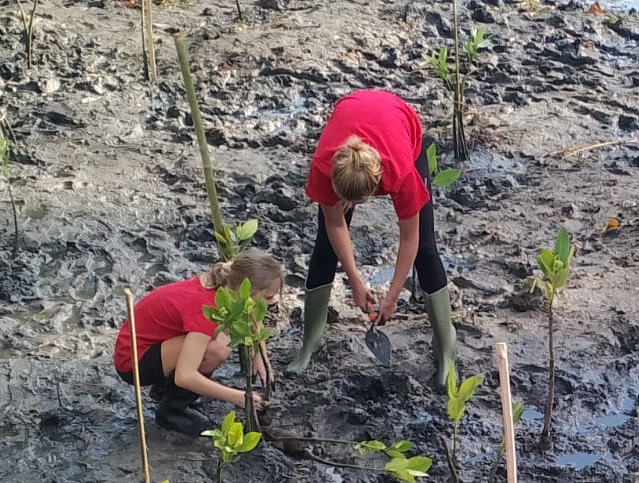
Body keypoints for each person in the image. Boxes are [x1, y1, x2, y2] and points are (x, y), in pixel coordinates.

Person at [289, 89, 457, 387]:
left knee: (426, 251)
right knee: (325, 248)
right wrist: (355, 280)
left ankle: (446, 347)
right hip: (352, 112)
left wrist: (392, 296)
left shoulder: (400, 172)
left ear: (378, 186)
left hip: (399, 123)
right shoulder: (323, 167)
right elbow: (334, 222)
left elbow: (410, 238)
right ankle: (311, 340)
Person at [115, 251, 283, 435]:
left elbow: (252, 312)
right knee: (217, 350)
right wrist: (239, 397)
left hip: (158, 345)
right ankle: (172, 410)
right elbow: (184, 376)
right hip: (133, 362)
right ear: (248, 292)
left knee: (220, 343)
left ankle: (164, 390)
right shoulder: (206, 308)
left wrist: (260, 355)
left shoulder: (227, 282)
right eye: (268, 298)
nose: (272, 302)